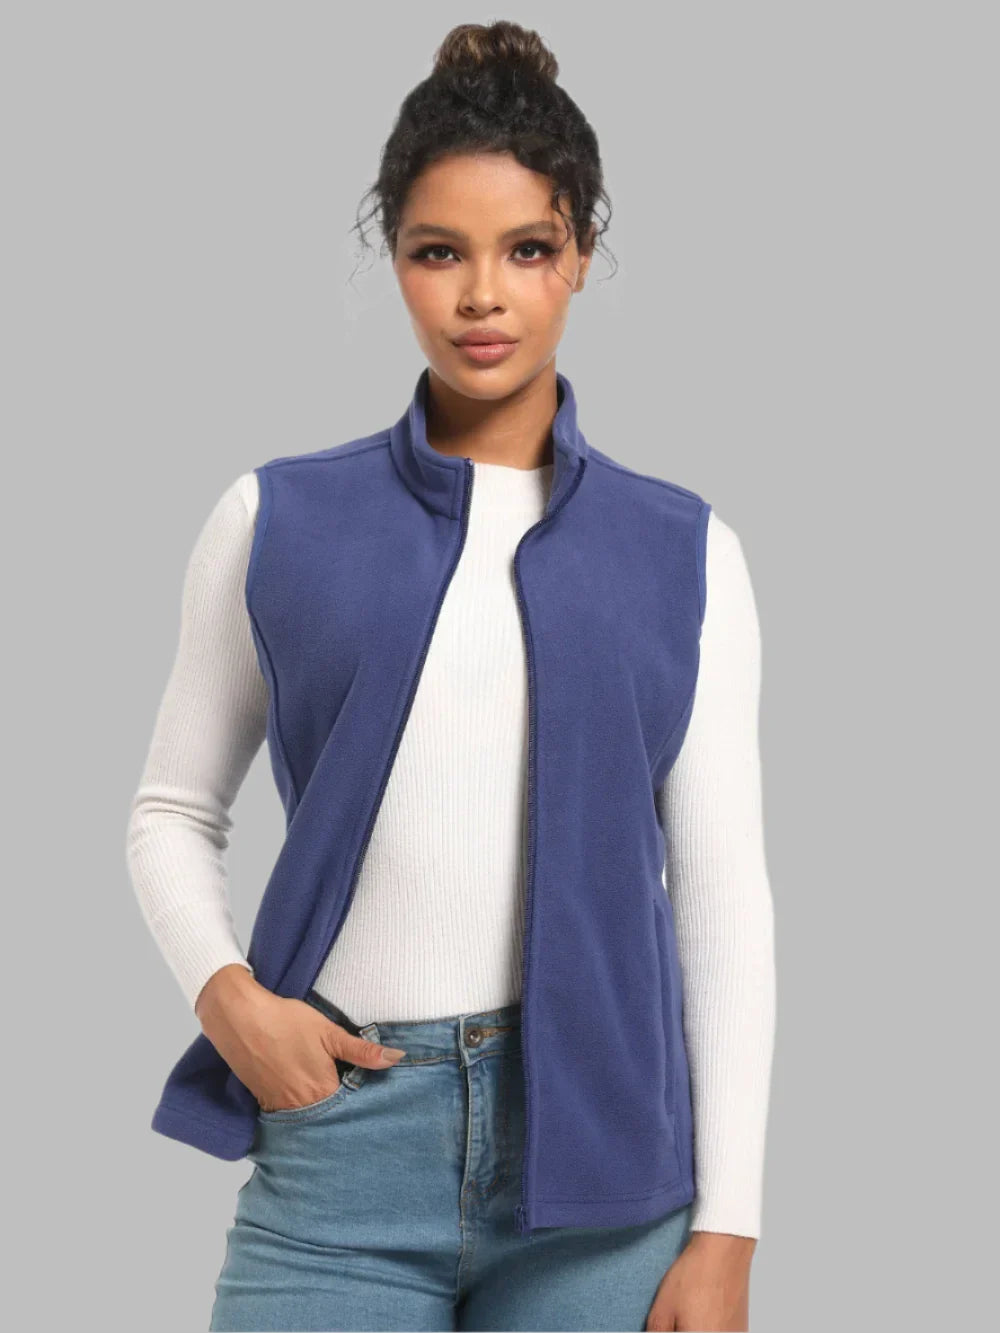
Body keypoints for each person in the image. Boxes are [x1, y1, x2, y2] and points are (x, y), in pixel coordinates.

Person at [126, 20, 775, 1333]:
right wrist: (231, 999)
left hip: (601, 1176)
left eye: (527, 249)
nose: (484, 296)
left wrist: (729, 1229)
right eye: (441, 252)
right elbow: (171, 812)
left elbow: (721, 897)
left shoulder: (685, 552)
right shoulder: (276, 520)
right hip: (341, 1147)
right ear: (397, 260)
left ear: (580, 254)